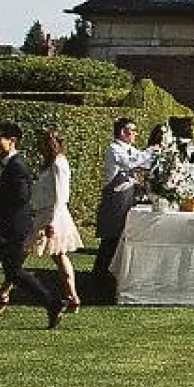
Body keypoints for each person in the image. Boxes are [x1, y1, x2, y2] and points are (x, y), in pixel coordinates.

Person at [0, 122, 62, 330]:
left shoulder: (17, 165)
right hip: (11, 227)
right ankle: (51, 303)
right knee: (12, 272)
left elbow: (21, 197)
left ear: (12, 141)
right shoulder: (12, 164)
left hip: (10, 229)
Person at [22, 126, 83, 314]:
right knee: (58, 256)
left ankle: (3, 292)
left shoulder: (59, 164)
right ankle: (72, 296)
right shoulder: (50, 163)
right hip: (45, 213)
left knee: (23, 252)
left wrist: (52, 222)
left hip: (52, 215)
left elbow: (61, 195)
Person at [92, 116, 147, 289]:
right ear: (123, 131)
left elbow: (143, 161)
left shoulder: (131, 149)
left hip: (127, 198)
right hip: (115, 199)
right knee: (111, 238)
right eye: (133, 130)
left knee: (121, 237)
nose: (135, 134)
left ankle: (112, 275)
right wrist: (152, 151)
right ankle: (99, 277)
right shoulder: (114, 149)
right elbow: (130, 163)